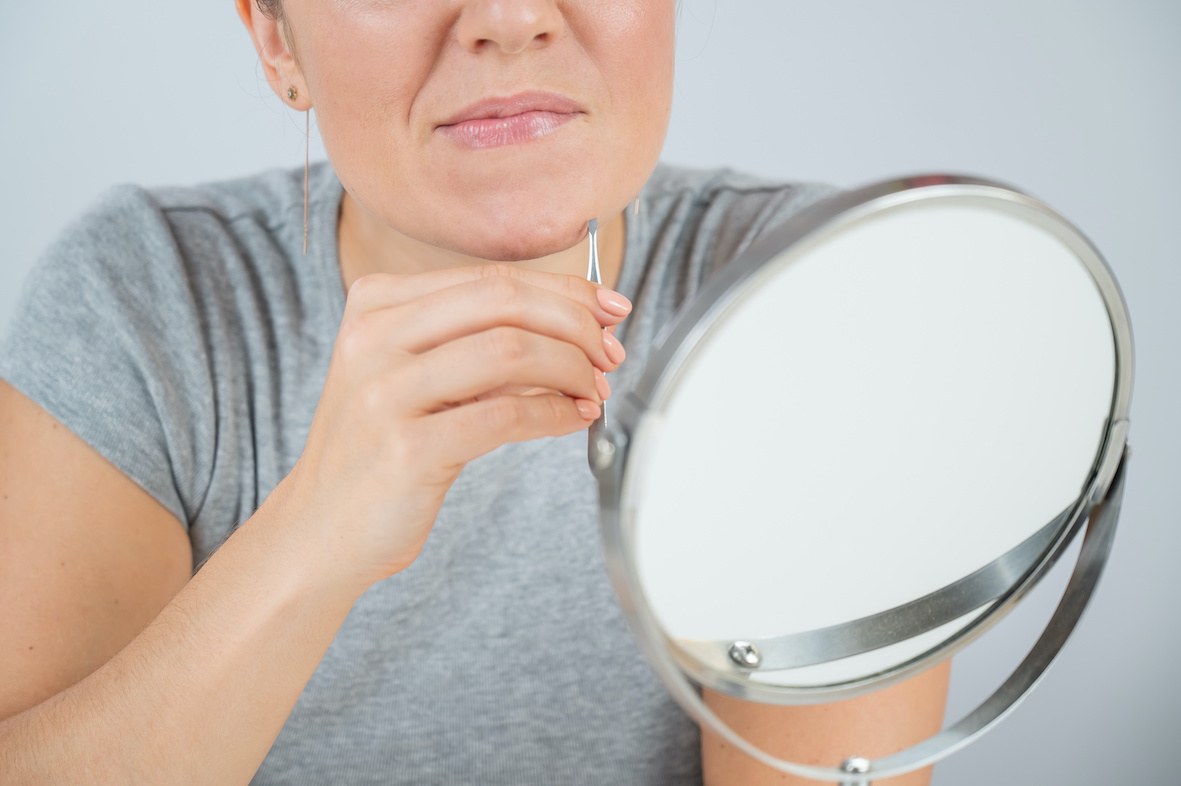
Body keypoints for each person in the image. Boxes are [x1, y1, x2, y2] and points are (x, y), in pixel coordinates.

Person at [0, 2, 950, 783]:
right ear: (276, 39)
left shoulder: (811, 298)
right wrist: (318, 529)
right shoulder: (145, 296)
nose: (510, 18)